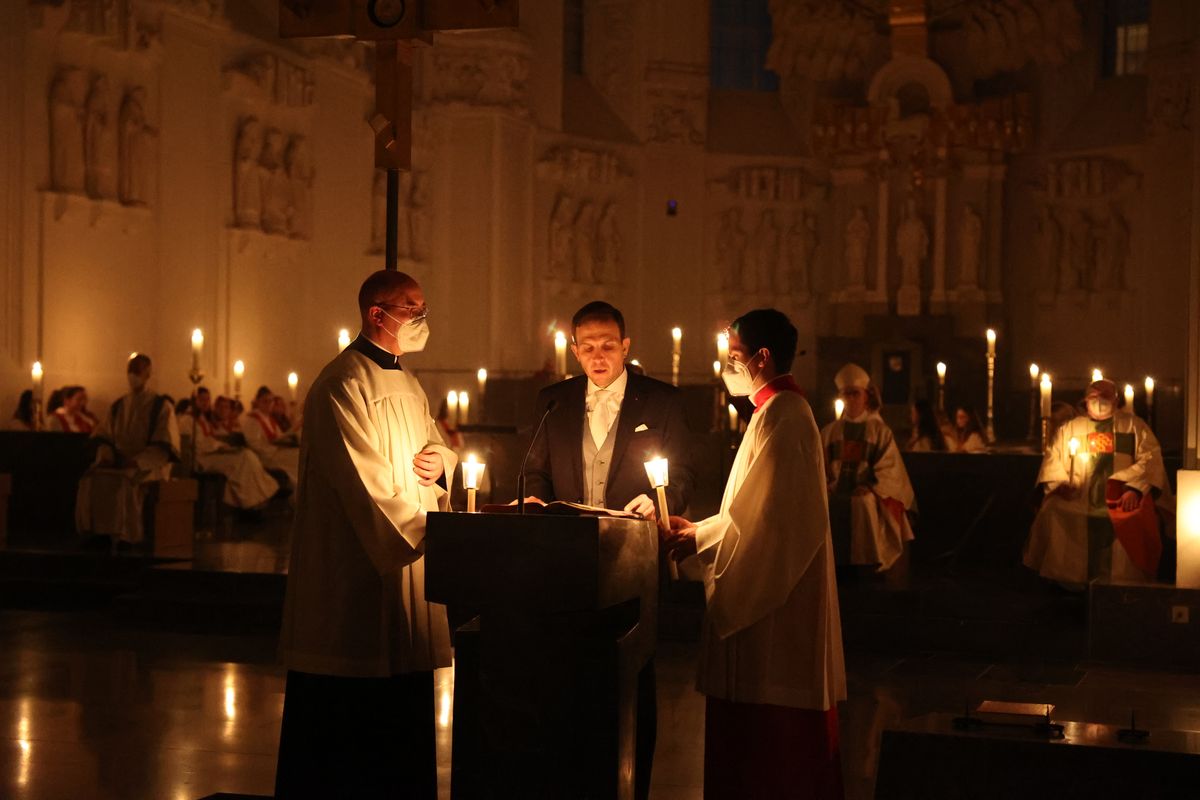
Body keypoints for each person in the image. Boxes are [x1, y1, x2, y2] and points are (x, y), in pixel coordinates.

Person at [276, 270, 457, 798]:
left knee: (401, 697)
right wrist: (432, 530)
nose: (421, 318)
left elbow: (437, 445)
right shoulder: (341, 384)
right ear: (377, 314)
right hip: (353, 569)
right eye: (411, 309)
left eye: (423, 308)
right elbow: (363, 484)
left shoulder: (408, 382)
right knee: (351, 716)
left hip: (407, 565)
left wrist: (441, 461)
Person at [663, 309, 845, 800]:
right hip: (771, 595)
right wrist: (700, 530)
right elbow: (751, 509)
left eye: (735, 355)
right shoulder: (773, 412)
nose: (728, 366)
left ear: (762, 357)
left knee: (770, 754)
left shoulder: (785, 416)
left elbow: (773, 525)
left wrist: (699, 539)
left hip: (776, 608)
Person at [523, 299, 695, 800]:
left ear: (625, 346)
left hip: (632, 557)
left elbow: (684, 473)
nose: (598, 357)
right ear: (574, 350)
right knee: (566, 676)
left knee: (630, 678)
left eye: (607, 346)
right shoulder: (553, 401)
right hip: (566, 560)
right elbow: (534, 468)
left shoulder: (661, 401)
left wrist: (660, 499)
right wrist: (535, 498)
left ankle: (630, 782)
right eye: (588, 347)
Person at [1024, 379, 1172, 586]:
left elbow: (1150, 459)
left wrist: (1134, 489)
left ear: (1116, 400)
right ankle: (1070, 580)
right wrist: (1059, 484)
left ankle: (1123, 582)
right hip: (1077, 495)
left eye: (1105, 396)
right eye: (1094, 396)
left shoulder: (1135, 426)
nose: (1099, 400)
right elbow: (1053, 458)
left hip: (1121, 495)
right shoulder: (1069, 428)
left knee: (1136, 516)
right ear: (1085, 401)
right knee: (1054, 509)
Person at [75, 354, 180, 547]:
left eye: (138, 370)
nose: (133, 375)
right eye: (130, 370)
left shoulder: (161, 406)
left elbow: (164, 444)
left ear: (148, 373)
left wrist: (136, 461)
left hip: (150, 463)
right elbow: (104, 437)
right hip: (118, 460)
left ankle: (126, 535)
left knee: (125, 481)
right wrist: (106, 457)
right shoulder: (118, 406)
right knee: (90, 478)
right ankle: (96, 532)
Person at [821, 363, 916, 572]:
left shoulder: (880, 431)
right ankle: (831, 563)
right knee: (824, 501)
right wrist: (825, 484)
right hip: (836, 489)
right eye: (846, 394)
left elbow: (890, 470)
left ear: (866, 396)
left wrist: (871, 487)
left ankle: (866, 562)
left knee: (862, 503)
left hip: (869, 492)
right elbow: (820, 466)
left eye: (855, 393)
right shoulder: (829, 432)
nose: (850, 399)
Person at [181, 387, 278, 510]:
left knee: (247, 454)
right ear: (194, 401)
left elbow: (209, 438)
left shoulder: (202, 418)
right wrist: (220, 446)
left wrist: (223, 446)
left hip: (211, 453)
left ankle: (259, 496)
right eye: (202, 400)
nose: (205, 403)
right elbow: (198, 445)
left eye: (207, 399)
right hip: (202, 459)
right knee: (242, 459)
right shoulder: (187, 420)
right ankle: (249, 501)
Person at [244, 386, 300, 488]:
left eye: (271, 401)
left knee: (298, 453)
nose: (269, 404)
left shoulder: (269, 419)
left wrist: (290, 435)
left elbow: (279, 437)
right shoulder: (252, 419)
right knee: (296, 457)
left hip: (275, 451)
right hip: (265, 457)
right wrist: (273, 447)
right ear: (258, 402)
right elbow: (253, 444)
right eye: (265, 401)